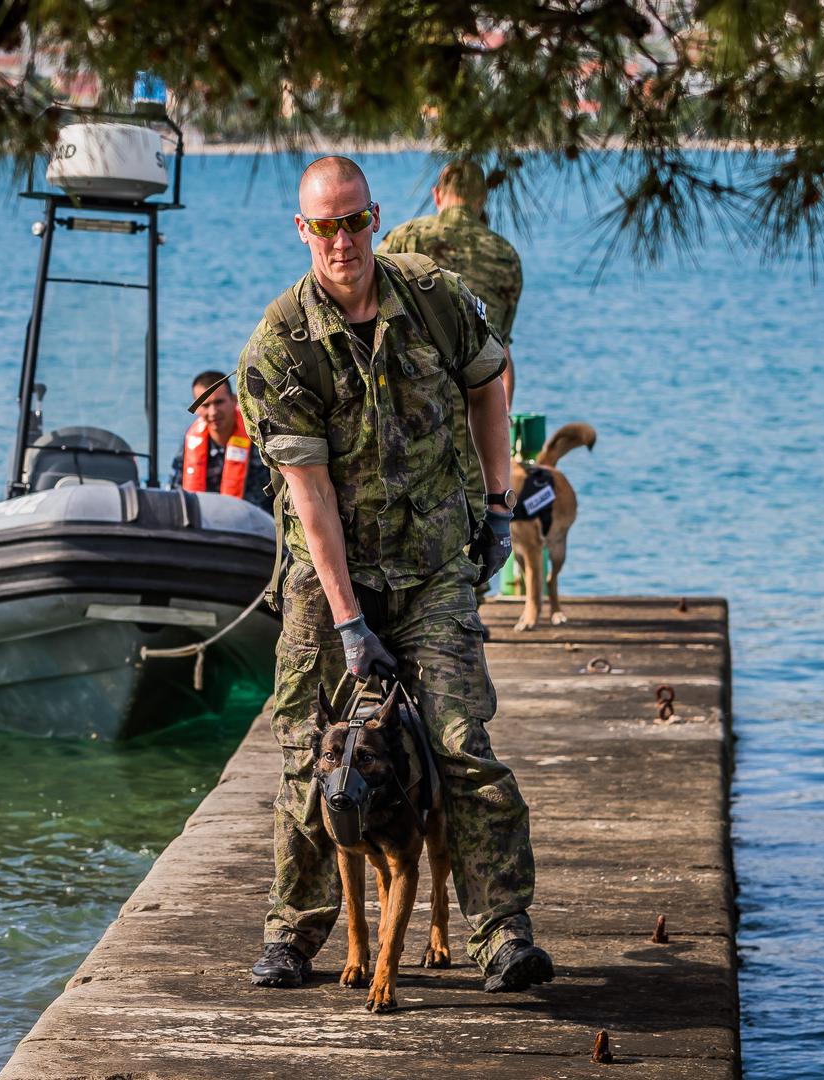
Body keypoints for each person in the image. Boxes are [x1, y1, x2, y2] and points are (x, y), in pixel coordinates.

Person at [236, 155, 553, 994]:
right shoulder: (279, 347)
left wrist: (493, 509)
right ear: (301, 231)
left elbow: (489, 386)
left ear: (375, 217)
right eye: (323, 226)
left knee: (461, 745)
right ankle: (294, 934)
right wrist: (348, 624)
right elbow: (310, 500)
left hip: (430, 566)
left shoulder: (434, 297)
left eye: (354, 221)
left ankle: (500, 930)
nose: (342, 241)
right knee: (310, 756)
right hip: (327, 575)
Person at [377, 160, 522, 404]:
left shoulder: (404, 239)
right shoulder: (506, 256)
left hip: (415, 409)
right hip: (476, 411)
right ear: (483, 199)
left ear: (436, 194)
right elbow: (500, 348)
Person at [170, 369, 273, 513]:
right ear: (197, 408)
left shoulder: (259, 440)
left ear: (234, 400)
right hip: (204, 526)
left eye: (219, 402)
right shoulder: (189, 445)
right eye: (205, 405)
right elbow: (176, 492)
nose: (213, 412)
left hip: (253, 525)